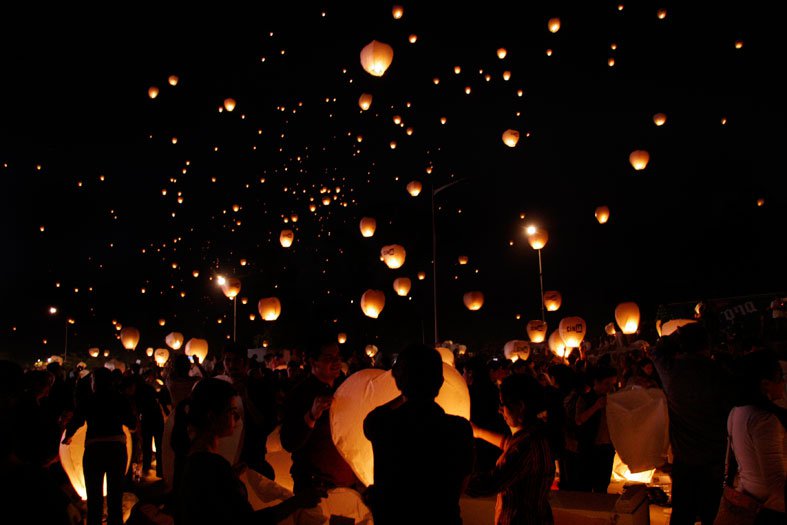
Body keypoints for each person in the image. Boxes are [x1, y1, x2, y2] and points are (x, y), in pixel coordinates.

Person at [175, 378, 322, 525]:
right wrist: (297, 501)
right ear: (212, 416)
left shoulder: (196, 459)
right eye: (232, 411)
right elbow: (249, 521)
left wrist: (230, 478)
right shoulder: (213, 465)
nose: (238, 417)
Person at [364, 344, 474, 525]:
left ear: (398, 381)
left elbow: (376, 416)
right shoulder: (459, 429)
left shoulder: (381, 424)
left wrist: (406, 391)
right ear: (440, 382)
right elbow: (463, 480)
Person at [650, 323, 735, 525]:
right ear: (707, 346)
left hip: (684, 458)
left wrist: (675, 337)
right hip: (714, 457)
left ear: (681, 345)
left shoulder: (672, 372)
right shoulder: (721, 373)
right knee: (711, 514)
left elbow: (655, 351)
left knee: (682, 514)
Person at [467, 373, 555, 525]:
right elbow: (507, 442)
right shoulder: (535, 435)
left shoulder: (525, 448)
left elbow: (490, 484)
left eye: (503, 404)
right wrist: (478, 432)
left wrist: (455, 479)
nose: (500, 410)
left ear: (520, 407)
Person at [280, 336, 360, 494]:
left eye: (338, 357)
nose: (336, 362)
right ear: (313, 361)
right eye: (329, 358)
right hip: (314, 488)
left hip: (348, 486)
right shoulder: (299, 395)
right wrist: (311, 415)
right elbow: (289, 442)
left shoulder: (347, 389)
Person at [63, 367, 137, 525]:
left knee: (94, 498)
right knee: (115, 497)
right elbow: (131, 423)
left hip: (94, 449)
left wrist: (68, 436)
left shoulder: (88, 400)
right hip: (117, 448)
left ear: (94, 383)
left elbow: (77, 420)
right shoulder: (120, 399)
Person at [726, 350, 786, 524]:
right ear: (766, 384)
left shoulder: (736, 412)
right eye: (780, 379)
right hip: (769, 511)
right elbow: (775, 484)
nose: (783, 383)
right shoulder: (765, 421)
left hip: (746, 498)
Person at [222, 343, 278, 480]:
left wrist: (245, 398)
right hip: (227, 455)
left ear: (245, 363)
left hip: (253, 457)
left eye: (236, 360)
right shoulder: (221, 388)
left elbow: (266, 424)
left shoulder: (260, 387)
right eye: (227, 360)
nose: (231, 365)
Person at [574, 364, 617, 493]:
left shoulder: (613, 399)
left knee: (603, 485)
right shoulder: (585, 399)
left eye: (613, 384)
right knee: (586, 484)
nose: (610, 387)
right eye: (607, 384)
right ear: (596, 382)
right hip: (590, 448)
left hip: (607, 448)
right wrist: (595, 407)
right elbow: (578, 420)